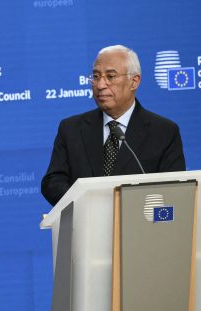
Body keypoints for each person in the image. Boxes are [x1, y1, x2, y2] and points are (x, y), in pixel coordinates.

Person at [41, 45, 186, 206]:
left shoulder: (164, 132)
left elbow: (174, 192)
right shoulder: (71, 129)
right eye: (96, 76)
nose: (100, 85)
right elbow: (53, 182)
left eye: (110, 76)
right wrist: (84, 205)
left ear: (134, 82)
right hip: (86, 219)